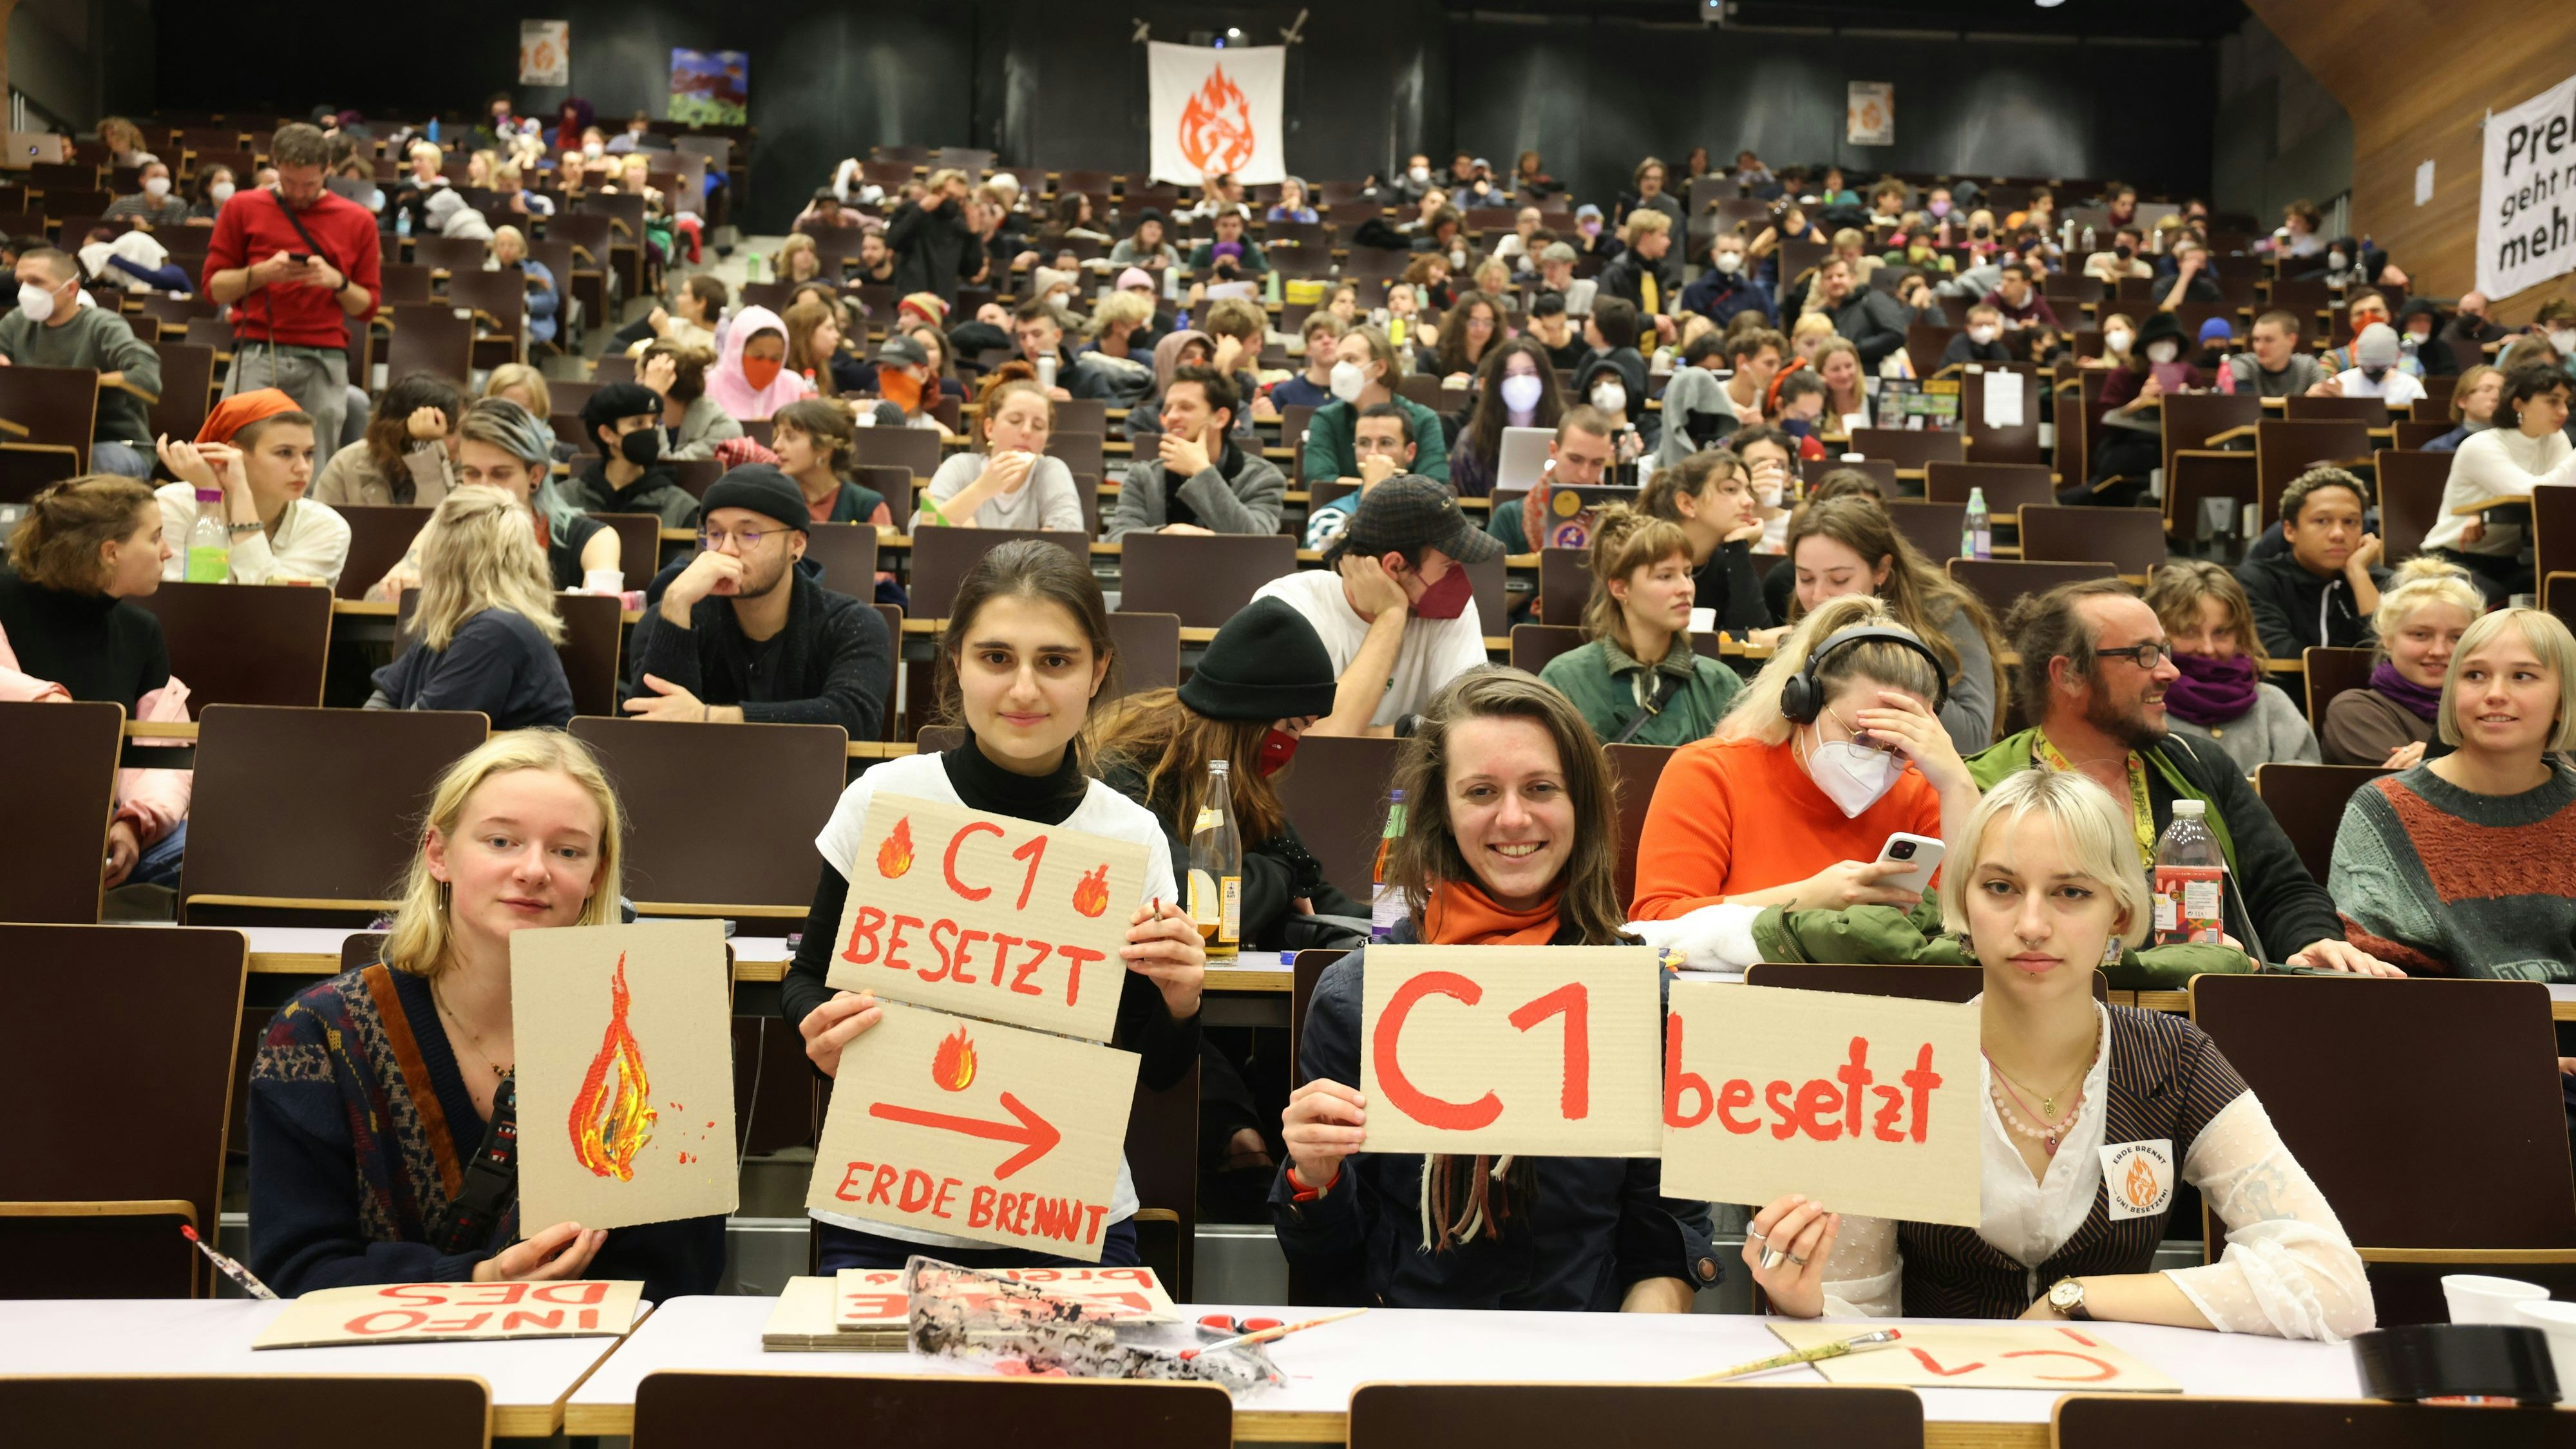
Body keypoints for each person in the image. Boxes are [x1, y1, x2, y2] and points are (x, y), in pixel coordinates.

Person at [1740, 767, 2371, 1334]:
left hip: (2112, 1413)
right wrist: (1804, 1306)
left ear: (2119, 915)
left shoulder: (2176, 1061)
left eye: (2071, 893)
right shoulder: (1889, 1072)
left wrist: (2079, 1297)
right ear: (1962, 904)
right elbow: (1856, 1314)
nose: (2033, 924)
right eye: (2000, 888)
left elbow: (2335, 1287)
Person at [783, 540, 1203, 1269]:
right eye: (997, 658)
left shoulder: (1130, 837)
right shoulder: (885, 801)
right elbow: (806, 979)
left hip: (1071, 1216)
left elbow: (1153, 1066)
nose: (1024, 691)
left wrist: (1182, 1002)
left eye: (1056, 661)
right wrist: (817, 1029)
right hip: (887, 1213)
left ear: (1098, 669)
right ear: (955, 664)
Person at [1275, 667, 1718, 1309]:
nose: (1514, 818)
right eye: (1481, 791)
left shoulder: (1639, 998)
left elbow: (1664, 1240)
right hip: (1404, 1361)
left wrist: (1627, 1370)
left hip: (1585, 1360)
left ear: (1579, 807)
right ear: (1442, 812)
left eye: (1540, 787)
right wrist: (1313, 1175)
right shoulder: (1359, 996)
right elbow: (1327, 1259)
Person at [249, 730, 724, 1300]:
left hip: (590, 1362)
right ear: (439, 853)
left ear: (595, 876)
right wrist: (481, 1281)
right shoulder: (317, 1034)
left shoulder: (659, 1035)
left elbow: (679, 1279)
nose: (533, 870)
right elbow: (296, 1271)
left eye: (568, 851)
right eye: (501, 841)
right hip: (378, 1373)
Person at [1965, 580, 2400, 974]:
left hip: (2213, 1016)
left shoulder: (2197, 762)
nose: (2170, 672)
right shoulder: (1986, 787)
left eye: (2164, 651)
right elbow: (1972, 938)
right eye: (2143, 655)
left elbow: (2282, 888)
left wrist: (2312, 940)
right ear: (2070, 675)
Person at [1629, 593, 1972, 926]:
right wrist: (1804, 900)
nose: (1878, 759)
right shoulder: (1709, 773)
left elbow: (1970, 933)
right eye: (1862, 736)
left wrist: (1958, 784)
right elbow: (1657, 921)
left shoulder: (1927, 791)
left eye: (1898, 745)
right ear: (1803, 706)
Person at [2331, 608, 2576, 981]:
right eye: (2474, 675)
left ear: (2563, 699)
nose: (2495, 694)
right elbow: (2367, 964)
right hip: (2433, 1025)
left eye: (2522, 676)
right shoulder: (2383, 809)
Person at [1098, 598, 1352, 951]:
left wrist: (1406, 924)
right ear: (1249, 719)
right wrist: (1281, 873)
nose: (1292, 744)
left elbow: (1310, 890)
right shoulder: (1125, 773)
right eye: (1292, 726)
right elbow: (1192, 908)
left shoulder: (1238, 783)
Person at [0, 474, 190, 886]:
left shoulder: (142, 632)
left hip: (98, 828)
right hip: (13, 815)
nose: (167, 552)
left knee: (202, 844)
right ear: (110, 552)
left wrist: (136, 824)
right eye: (156, 537)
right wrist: (48, 706)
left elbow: (165, 751)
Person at [621, 465, 893, 736]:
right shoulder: (672, 614)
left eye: (749, 534)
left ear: (796, 545)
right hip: (700, 776)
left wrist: (707, 716)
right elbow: (649, 730)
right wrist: (676, 604)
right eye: (715, 534)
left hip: (816, 777)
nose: (727, 549)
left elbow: (854, 717)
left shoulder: (852, 623)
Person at [1257, 476, 1499, 736]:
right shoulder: (1287, 606)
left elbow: (1470, 729)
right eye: (1450, 565)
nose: (1460, 577)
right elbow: (1313, 747)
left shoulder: (1452, 609)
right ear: (1394, 566)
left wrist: (1371, 735)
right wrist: (1391, 615)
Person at [204, 123, 379, 450]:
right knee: (234, 450)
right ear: (276, 166)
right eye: (289, 182)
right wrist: (262, 273)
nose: (300, 193)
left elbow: (367, 307)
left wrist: (336, 281)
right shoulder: (242, 207)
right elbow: (215, 289)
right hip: (256, 348)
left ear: (328, 170)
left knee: (314, 456)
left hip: (324, 356)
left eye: (310, 184)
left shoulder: (359, 220)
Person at [365, 486, 574, 730]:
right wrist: (367, 736)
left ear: (445, 558)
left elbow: (422, 733)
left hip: (519, 767)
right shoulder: (453, 622)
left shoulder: (495, 632)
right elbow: (385, 698)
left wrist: (370, 741)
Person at [1538, 505, 1743, 746]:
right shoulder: (1565, 680)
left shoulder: (1721, 685)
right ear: (1620, 588)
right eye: (1665, 576)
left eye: (1687, 574)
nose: (1686, 588)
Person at [372, 399, 615, 599]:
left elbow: (602, 613)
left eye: (500, 474)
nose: (484, 487)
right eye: (472, 473)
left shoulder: (594, 539)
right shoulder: (445, 526)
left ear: (535, 475)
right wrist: (401, 578)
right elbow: (381, 595)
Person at [151, 388, 346, 587]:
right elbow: (193, 600)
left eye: (309, 454)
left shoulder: (327, 527)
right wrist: (210, 496)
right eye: (285, 453)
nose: (303, 468)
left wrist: (240, 493)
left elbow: (273, 602)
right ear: (232, 453)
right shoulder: (169, 506)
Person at [2421, 364, 2573, 605]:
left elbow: (2562, 498)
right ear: (2518, 405)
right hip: (2451, 558)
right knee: (2493, 598)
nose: (2564, 411)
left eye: (2566, 401)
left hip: (2508, 561)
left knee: (2564, 589)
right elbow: (2536, 493)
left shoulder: (2555, 439)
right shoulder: (2480, 445)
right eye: (2553, 401)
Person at [0, 247, 159, 478]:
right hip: (33, 439)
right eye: (20, 282)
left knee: (72, 475)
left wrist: (84, 384)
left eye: (35, 282)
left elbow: (146, 375)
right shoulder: (16, 322)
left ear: (71, 288)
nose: (25, 291)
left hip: (111, 442)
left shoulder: (103, 325)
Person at [2146, 560, 2319, 772]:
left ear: (2241, 635)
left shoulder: (2273, 704)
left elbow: (2305, 787)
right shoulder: (2144, 704)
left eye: (2221, 633)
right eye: (2189, 632)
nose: (2207, 648)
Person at [2322, 558, 2481, 768]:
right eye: (2421, 635)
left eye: (2457, 638)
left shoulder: (2489, 706)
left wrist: (2437, 759)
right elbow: (2413, 790)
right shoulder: (2355, 712)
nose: (2439, 651)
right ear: (2388, 638)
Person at [1106, 365, 1283, 541]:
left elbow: (1257, 543)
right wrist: (1163, 535)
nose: (1173, 416)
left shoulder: (1263, 477)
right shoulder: (1143, 476)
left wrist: (1201, 472)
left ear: (1220, 418)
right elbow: (1116, 538)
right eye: (1168, 409)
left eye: (1186, 407)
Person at [2237, 466, 2387, 656]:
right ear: (2289, 530)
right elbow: (2278, 653)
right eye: (2322, 521)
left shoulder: (2379, 581)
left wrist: (2359, 575)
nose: (2338, 534)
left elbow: (2390, 656)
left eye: (2350, 522)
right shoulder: (2258, 580)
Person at [921, 361, 1086, 533]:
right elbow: (922, 527)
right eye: (1015, 421)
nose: (1027, 431)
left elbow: (1070, 533)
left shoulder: (1051, 469)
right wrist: (981, 490)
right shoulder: (960, 466)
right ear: (990, 429)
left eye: (1038, 426)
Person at [1638, 448, 1769, 634]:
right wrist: (1748, 640)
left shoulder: (1727, 558)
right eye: (1731, 489)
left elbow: (1757, 643)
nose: (1749, 501)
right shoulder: (1646, 556)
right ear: (1687, 503)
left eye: (1748, 490)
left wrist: (1739, 546)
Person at [1302, 326, 1450, 486]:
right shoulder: (1326, 419)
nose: (1339, 369)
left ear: (1379, 368)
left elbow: (1435, 484)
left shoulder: (1424, 420)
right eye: (1338, 361)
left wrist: (1371, 486)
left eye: (1350, 359)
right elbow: (1319, 482)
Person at [562, 381, 697, 530]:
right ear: (607, 434)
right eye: (638, 423)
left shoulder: (681, 508)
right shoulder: (565, 499)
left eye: (653, 423)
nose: (650, 431)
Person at [314, 373, 461, 508]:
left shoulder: (462, 465)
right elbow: (320, 527)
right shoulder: (347, 463)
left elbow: (437, 527)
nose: (458, 440)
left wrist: (425, 458)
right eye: (449, 429)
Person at [1448, 339, 1566, 500]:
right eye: (1509, 375)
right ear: (1497, 384)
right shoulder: (1471, 440)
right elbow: (1463, 503)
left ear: (1544, 378)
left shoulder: (1567, 432)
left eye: (1529, 372)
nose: (1520, 383)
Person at [1492, 408, 1618, 555]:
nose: (1584, 474)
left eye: (1597, 463)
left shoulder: (1616, 523)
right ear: (1553, 451)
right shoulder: (1509, 518)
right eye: (1575, 460)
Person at [1305, 404, 1419, 550]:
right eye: (1364, 443)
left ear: (1410, 452)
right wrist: (1373, 491)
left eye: (1385, 443)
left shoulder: (1429, 511)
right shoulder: (1328, 516)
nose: (1373, 453)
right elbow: (1348, 556)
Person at [771, 398, 892, 533]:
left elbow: (881, 552)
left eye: (790, 437)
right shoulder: (772, 500)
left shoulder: (866, 507)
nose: (776, 446)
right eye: (777, 436)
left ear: (825, 448)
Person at [887, 168, 981, 307]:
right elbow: (894, 241)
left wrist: (974, 234)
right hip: (911, 301)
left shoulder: (960, 226)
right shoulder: (911, 211)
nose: (954, 202)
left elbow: (971, 270)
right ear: (936, 191)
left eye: (960, 199)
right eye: (950, 195)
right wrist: (920, 211)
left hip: (943, 304)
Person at [637, 341, 743, 461]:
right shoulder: (628, 421)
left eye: (640, 378)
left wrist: (653, 401)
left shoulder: (723, 429)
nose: (635, 384)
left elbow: (670, 470)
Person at [705, 304, 812, 422]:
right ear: (737, 351)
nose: (766, 366)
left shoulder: (794, 386)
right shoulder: (710, 385)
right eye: (758, 357)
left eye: (775, 359)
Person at [1595, 211, 1679, 342]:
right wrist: (1650, 321)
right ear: (1646, 236)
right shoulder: (1616, 271)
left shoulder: (1657, 271)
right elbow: (1605, 316)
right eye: (1663, 235)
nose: (1668, 242)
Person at [1814, 257, 1907, 368]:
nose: (1835, 281)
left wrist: (1852, 350)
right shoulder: (1821, 315)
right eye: (1829, 277)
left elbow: (1896, 335)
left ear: (1853, 278)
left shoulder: (1871, 299)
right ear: (1821, 284)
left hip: (1872, 375)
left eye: (1840, 276)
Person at [2224, 311, 2331, 399]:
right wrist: (2303, 401)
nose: (2260, 347)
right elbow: (2246, 406)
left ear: (2292, 340)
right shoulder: (2241, 364)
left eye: (2268, 340)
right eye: (2256, 340)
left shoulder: (2308, 366)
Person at [2327, 323, 2427, 409]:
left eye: (2382, 367)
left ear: (2396, 359)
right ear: (2356, 358)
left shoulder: (2411, 387)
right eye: (2370, 367)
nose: (2376, 371)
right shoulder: (2338, 384)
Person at [1425, 290, 1506, 388]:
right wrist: (1447, 386)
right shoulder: (1432, 359)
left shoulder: (1501, 362)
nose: (1480, 329)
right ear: (1460, 323)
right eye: (1473, 322)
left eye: (1487, 323)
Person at [1269, 310, 1347, 412]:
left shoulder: (1357, 392)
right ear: (1308, 349)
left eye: (1332, 336)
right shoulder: (1283, 393)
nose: (1326, 341)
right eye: (1318, 337)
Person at [2425, 364, 2502, 453]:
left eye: (2503, 391)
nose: (2497, 397)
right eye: (2487, 390)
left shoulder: (2517, 445)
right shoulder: (2437, 449)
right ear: (2463, 401)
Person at [1524, 290, 1588, 371]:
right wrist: (1544, 342)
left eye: (1562, 326)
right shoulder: (1526, 342)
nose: (1558, 334)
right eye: (1550, 329)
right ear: (1536, 323)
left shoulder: (1581, 341)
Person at [1109, 210, 1181, 279]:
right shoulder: (1124, 247)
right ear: (1140, 230)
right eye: (1150, 226)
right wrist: (1138, 268)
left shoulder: (1168, 251)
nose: (1154, 231)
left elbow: (1181, 272)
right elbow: (1110, 267)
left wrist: (1168, 267)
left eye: (1159, 228)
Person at [1942, 305, 2012, 368]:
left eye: (1990, 324)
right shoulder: (1959, 342)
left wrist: (1995, 342)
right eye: (1979, 324)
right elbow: (1970, 368)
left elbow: (2006, 368)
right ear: (1968, 328)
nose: (1985, 329)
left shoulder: (1998, 345)